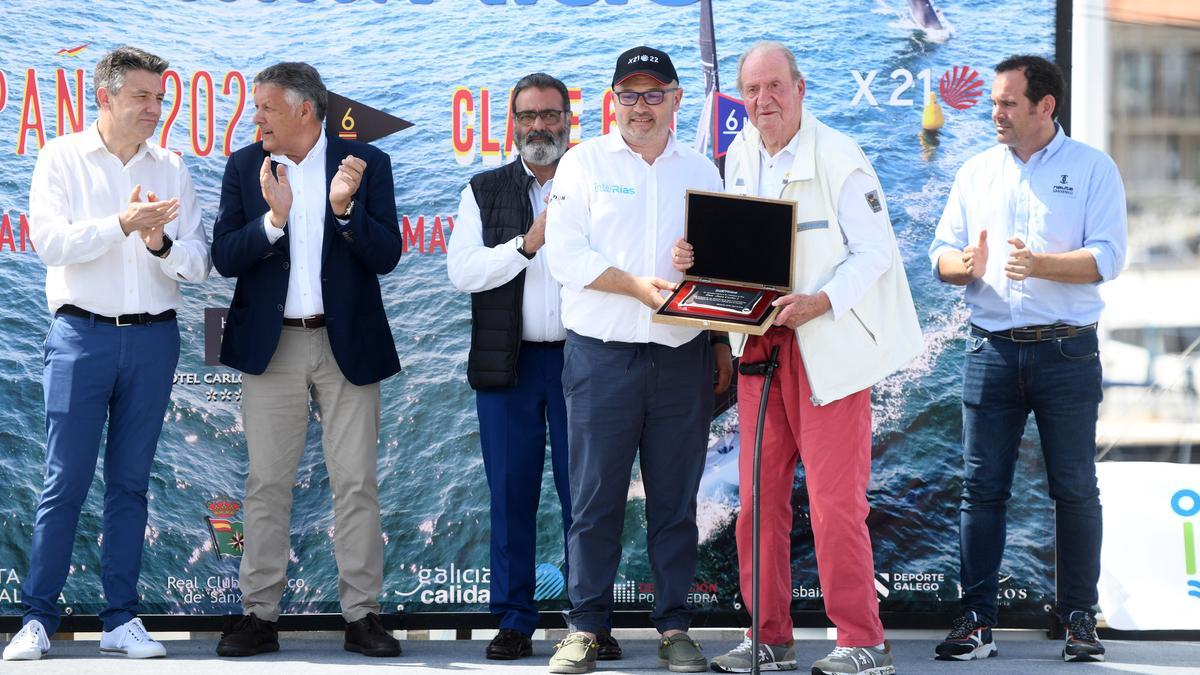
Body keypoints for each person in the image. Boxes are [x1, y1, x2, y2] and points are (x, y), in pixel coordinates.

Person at [673, 41, 921, 675]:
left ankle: (864, 639)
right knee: (758, 503)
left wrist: (820, 303)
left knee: (837, 503)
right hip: (759, 349)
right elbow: (740, 252)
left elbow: (875, 254)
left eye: (775, 87)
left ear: (801, 88)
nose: (764, 101)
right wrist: (694, 264)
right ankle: (769, 637)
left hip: (825, 351)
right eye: (752, 91)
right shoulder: (738, 158)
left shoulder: (841, 157)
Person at [4, 46, 211, 662]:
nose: (156, 108)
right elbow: (49, 244)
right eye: (144, 96)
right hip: (79, 337)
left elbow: (198, 263)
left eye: (160, 97)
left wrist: (157, 240)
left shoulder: (172, 167)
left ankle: (121, 621)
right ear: (107, 96)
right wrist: (122, 223)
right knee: (63, 482)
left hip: (153, 339)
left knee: (130, 485)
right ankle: (37, 620)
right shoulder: (61, 157)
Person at [928, 54, 1126, 664]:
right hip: (990, 350)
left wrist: (1038, 264)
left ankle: (1079, 623)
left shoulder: (1094, 169)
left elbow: (1108, 258)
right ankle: (976, 623)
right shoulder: (975, 171)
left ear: (1047, 106)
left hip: (1067, 351)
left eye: (1009, 103)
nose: (996, 114)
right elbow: (941, 253)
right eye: (993, 102)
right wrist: (964, 265)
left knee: (1074, 490)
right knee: (980, 491)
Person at [541, 45, 732, 674]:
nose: (640, 107)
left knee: (675, 504)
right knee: (594, 501)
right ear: (612, 100)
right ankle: (585, 627)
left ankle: (675, 626)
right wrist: (638, 286)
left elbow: (725, 268)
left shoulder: (702, 169)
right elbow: (563, 257)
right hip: (600, 360)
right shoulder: (582, 164)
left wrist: (701, 267)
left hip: (681, 359)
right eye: (629, 94)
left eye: (654, 94)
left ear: (677, 99)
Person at [210, 61, 403, 658]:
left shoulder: (365, 164)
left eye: (265, 106)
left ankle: (362, 616)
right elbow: (224, 257)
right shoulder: (246, 167)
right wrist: (274, 220)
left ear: (304, 110)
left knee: (357, 485)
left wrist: (345, 210)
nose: (255, 117)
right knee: (266, 483)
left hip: (347, 344)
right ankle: (258, 615)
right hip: (274, 348)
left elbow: (388, 254)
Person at [446, 72, 620, 662]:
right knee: (510, 496)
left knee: (588, 500)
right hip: (509, 368)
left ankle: (590, 622)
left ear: (570, 121)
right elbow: (463, 272)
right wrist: (526, 245)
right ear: (512, 123)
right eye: (528, 116)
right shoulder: (483, 190)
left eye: (550, 115)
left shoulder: (597, 183)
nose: (539, 126)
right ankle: (515, 620)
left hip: (585, 363)